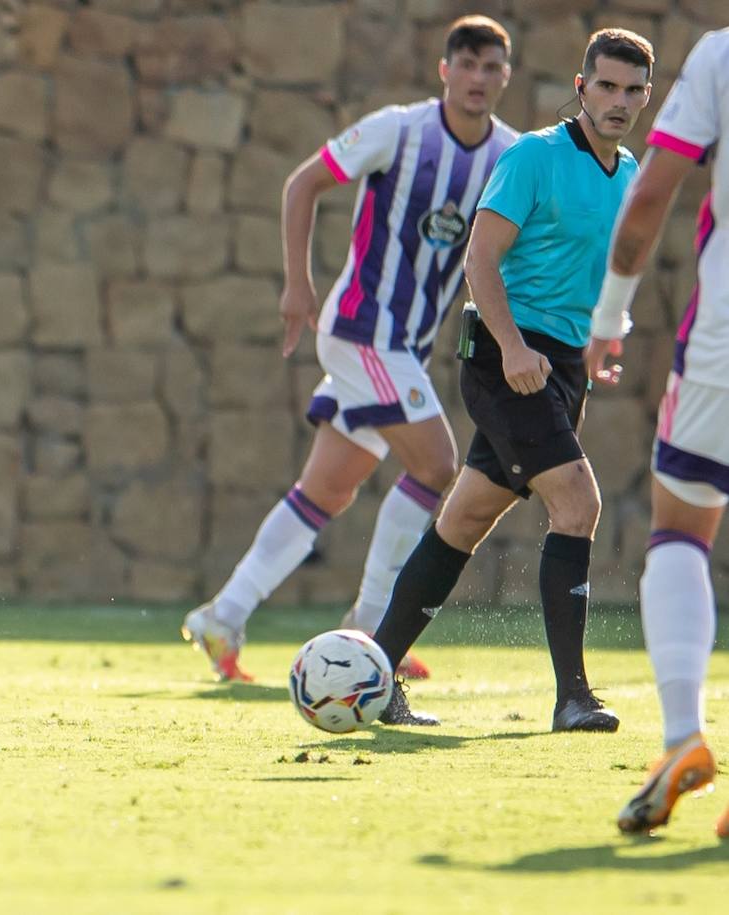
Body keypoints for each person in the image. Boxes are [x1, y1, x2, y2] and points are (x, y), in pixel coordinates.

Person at [183, 15, 516, 682]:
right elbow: (302, 182)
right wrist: (297, 284)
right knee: (436, 465)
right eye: (468, 65)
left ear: (506, 77)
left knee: (326, 491)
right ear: (445, 71)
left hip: (403, 350)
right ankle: (372, 626)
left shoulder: (507, 155)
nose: (479, 79)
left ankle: (222, 615)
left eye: (492, 68)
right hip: (362, 332)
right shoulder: (400, 128)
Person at [369, 29, 655, 729]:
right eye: (606, 86)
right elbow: (480, 259)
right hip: (506, 362)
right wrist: (512, 346)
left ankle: (374, 674)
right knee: (578, 503)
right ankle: (573, 697)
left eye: (633, 90)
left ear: (647, 98)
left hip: (561, 366)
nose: (618, 101)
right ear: (581, 86)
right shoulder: (534, 155)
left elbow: (606, 273)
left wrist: (601, 337)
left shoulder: (629, 175)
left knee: (463, 518)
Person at [587, 29, 729, 837]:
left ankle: (682, 739)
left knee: (680, 532)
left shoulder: (717, 55)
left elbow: (648, 199)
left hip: (722, 345)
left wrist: (608, 318)